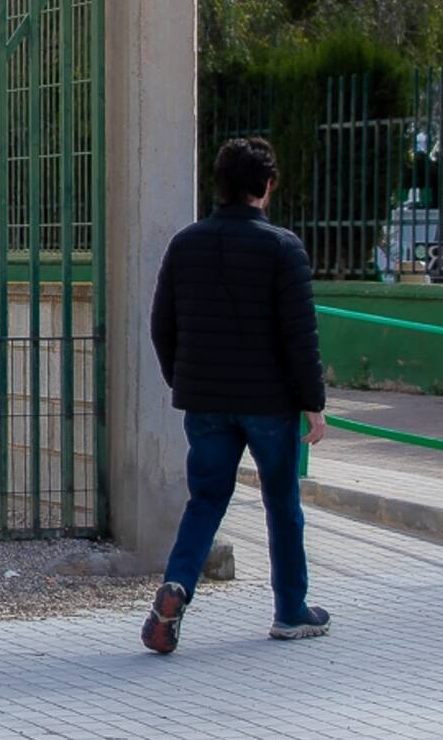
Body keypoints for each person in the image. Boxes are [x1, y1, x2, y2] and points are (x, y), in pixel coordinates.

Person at [141, 136, 329, 654]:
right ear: (266, 187)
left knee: (204, 502)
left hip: (205, 404)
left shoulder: (185, 244)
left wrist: (184, 380)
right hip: (269, 404)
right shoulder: (283, 249)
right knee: (281, 504)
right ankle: (291, 610)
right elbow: (300, 335)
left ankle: (175, 588)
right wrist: (313, 401)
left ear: (219, 186)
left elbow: (162, 326)